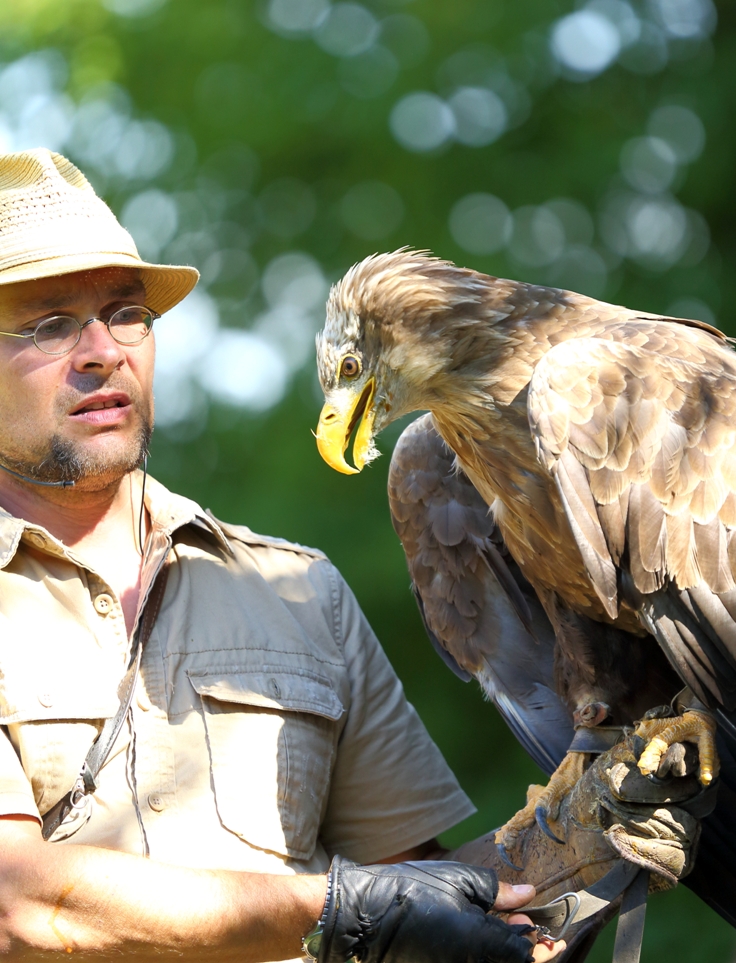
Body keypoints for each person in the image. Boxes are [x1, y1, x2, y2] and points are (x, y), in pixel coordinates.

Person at [0, 147, 569, 963]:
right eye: (52, 323)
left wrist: (587, 834)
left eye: (126, 314)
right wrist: (338, 907)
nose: (103, 350)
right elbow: (14, 903)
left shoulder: (297, 589)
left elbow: (413, 893)